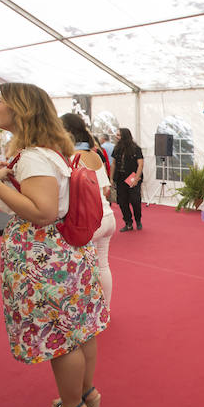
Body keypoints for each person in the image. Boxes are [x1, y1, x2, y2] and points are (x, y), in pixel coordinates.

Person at [0, 83, 109, 407]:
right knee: (79, 330)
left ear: (20, 109)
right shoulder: (47, 153)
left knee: (60, 336)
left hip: (46, 258)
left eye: (0, 101)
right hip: (65, 254)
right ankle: (85, 394)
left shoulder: (34, 157)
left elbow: (42, 212)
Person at [60, 113, 116, 303]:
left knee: (78, 267)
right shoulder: (95, 155)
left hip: (90, 219)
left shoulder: (72, 157)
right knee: (103, 265)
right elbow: (106, 188)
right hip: (107, 215)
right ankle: (105, 309)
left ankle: (83, 311)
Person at [110, 127, 144, 231]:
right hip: (120, 178)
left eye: (119, 135)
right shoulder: (117, 149)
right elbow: (114, 164)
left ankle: (138, 220)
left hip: (132, 177)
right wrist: (111, 178)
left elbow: (140, 164)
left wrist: (136, 178)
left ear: (125, 136)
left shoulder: (136, 148)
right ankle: (128, 222)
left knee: (135, 200)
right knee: (122, 201)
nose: (117, 136)